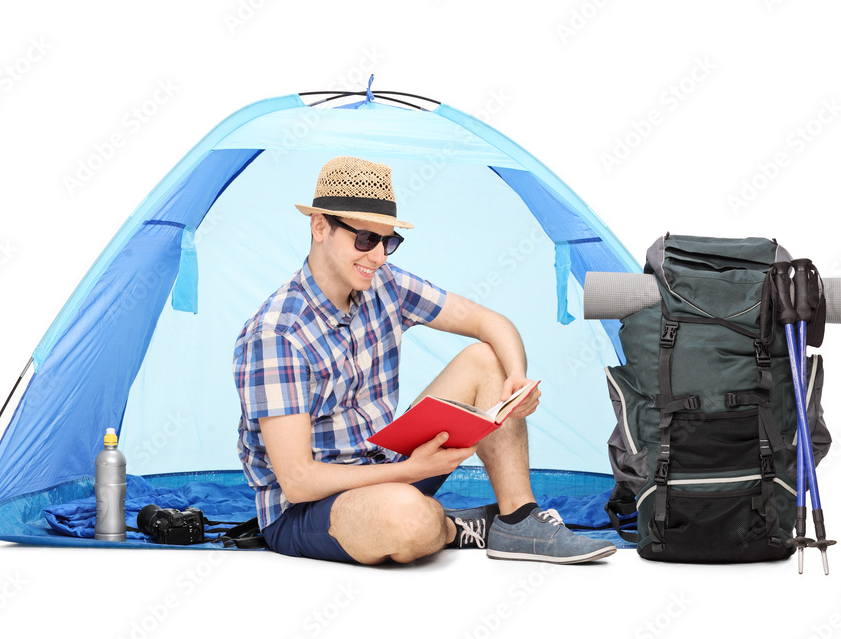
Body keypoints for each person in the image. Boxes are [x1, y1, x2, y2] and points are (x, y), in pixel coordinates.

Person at [234, 156, 616, 565]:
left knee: (487, 359)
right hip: (309, 509)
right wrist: (411, 471)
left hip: (386, 461)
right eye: (365, 239)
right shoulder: (276, 334)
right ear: (320, 227)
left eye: (388, 241)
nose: (378, 256)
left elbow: (489, 322)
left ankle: (519, 520)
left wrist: (516, 380)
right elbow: (299, 481)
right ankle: (456, 527)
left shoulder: (385, 283)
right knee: (410, 519)